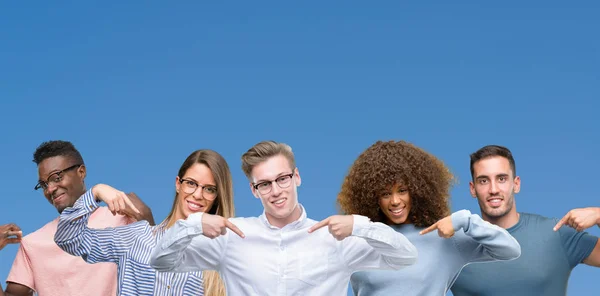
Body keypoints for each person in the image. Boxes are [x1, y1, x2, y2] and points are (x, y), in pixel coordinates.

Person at [150, 140, 418, 295]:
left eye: (282, 179)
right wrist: (195, 224)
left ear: (297, 177)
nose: (276, 191)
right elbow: (161, 261)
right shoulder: (231, 236)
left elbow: (406, 257)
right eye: (264, 184)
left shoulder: (335, 237)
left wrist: (360, 225)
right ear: (254, 191)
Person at [337, 140, 521, 295]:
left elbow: (510, 250)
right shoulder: (359, 239)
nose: (394, 201)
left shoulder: (444, 238)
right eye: (385, 194)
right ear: (371, 196)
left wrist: (466, 221)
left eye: (402, 191)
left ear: (417, 190)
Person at [54, 149, 233, 296]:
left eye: (209, 189)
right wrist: (96, 191)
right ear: (178, 184)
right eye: (191, 183)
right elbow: (69, 239)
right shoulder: (136, 237)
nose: (198, 195)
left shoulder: (220, 258)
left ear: (217, 197)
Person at [2, 140, 154, 296]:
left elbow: (156, 262)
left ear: (81, 172)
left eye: (56, 177)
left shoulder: (122, 216)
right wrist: (97, 191)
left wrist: (141, 213)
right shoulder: (33, 243)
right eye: (43, 184)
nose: (50, 189)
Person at [450, 145, 600, 296]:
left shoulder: (556, 233)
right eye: (483, 181)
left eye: (501, 179)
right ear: (472, 189)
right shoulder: (453, 249)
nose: (493, 189)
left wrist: (598, 214)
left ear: (516, 184)